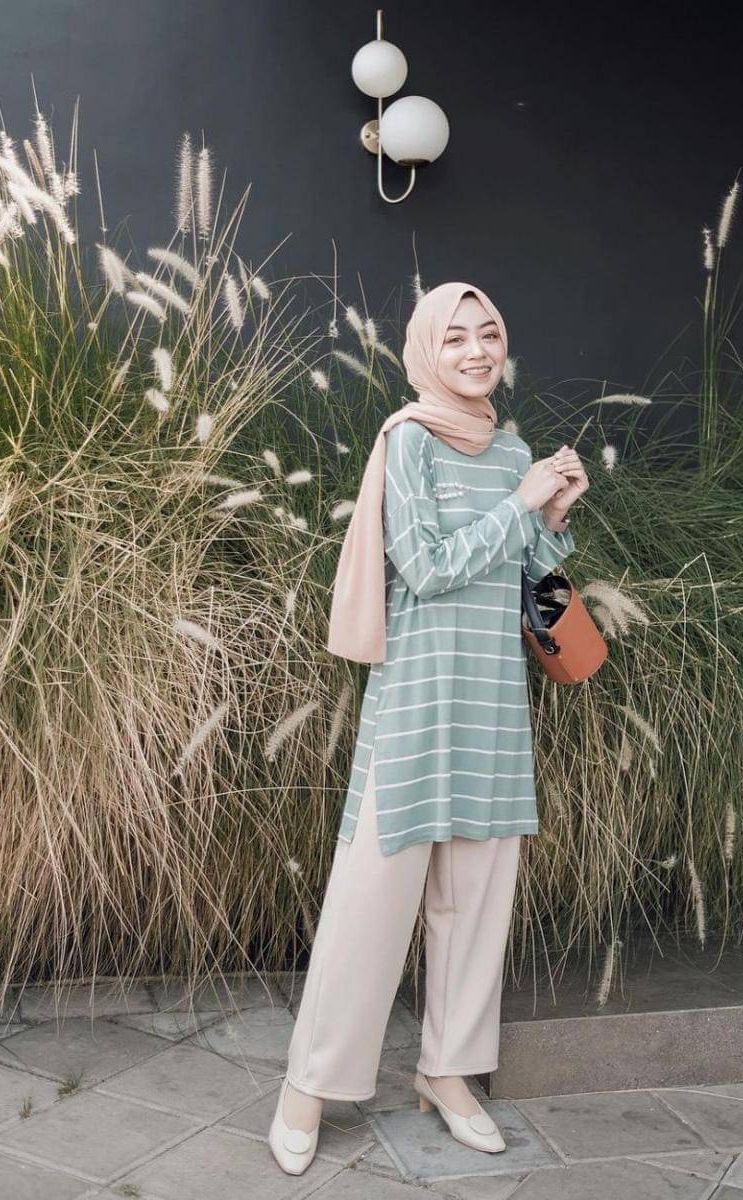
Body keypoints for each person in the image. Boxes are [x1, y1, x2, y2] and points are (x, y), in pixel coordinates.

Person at [269, 281, 588, 1174]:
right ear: (425, 352)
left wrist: (552, 516)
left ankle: (447, 1073)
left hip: (492, 701)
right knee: (370, 901)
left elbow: (533, 585)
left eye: (489, 334)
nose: (477, 351)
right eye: (456, 338)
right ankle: (309, 1084)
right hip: (415, 697)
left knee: (476, 901)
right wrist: (520, 505)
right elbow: (427, 567)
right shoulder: (407, 439)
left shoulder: (513, 450)